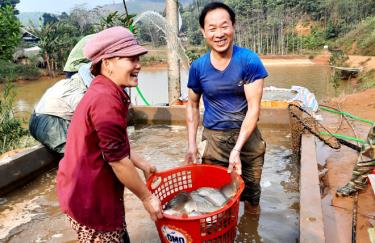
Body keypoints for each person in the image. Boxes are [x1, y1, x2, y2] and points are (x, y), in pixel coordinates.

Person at [56, 26, 163, 243]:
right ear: (107, 63)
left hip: (83, 192)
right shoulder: (105, 100)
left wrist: (141, 163)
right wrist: (147, 197)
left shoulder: (105, 89)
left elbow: (112, 144)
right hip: (89, 199)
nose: (138, 65)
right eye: (131, 59)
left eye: (138, 58)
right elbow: (117, 161)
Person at [184, 2, 268, 213]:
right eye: (212, 28)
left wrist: (237, 149)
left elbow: (253, 109)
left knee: (251, 199)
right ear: (204, 32)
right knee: (213, 203)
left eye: (224, 26)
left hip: (247, 141)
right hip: (213, 142)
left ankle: (251, 231)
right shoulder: (198, 67)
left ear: (233, 27)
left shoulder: (249, 61)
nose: (219, 34)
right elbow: (192, 106)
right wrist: (192, 145)